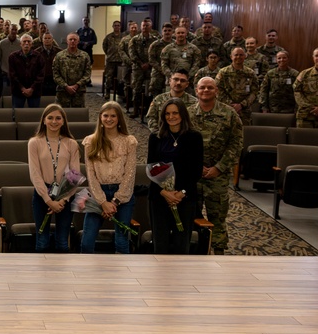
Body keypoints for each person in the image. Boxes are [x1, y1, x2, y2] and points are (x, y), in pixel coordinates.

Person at [190, 77, 243, 255]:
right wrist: (195, 167)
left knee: (218, 217)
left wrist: (219, 168)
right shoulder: (188, 114)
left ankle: (218, 253)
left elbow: (236, 144)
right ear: (196, 90)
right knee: (191, 216)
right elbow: (181, 144)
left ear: (217, 90)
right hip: (192, 175)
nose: (206, 90)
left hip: (218, 176)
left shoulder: (229, 114)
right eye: (202, 88)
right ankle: (193, 250)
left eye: (210, 88)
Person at [147, 99, 204, 254]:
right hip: (159, 196)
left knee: (182, 242)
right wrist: (165, 192)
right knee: (160, 242)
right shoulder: (155, 137)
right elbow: (151, 168)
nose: (171, 116)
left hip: (185, 197)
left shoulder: (194, 137)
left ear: (182, 114)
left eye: (175, 113)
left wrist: (181, 193)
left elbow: (196, 171)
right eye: (167, 113)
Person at [80, 101, 138, 254]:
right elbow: (90, 174)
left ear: (119, 119)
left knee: (121, 241)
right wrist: (102, 202)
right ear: (100, 117)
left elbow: (130, 173)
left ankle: (122, 275)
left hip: (123, 195)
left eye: (113, 116)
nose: (109, 119)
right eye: (106, 115)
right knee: (87, 240)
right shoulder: (91, 141)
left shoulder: (129, 141)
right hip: (98, 192)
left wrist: (116, 201)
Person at [27, 104, 82, 253]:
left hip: (65, 195)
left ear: (63, 121)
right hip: (42, 195)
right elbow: (34, 173)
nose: (54, 121)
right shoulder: (34, 142)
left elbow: (75, 174)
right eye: (50, 118)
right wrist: (48, 200)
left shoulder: (71, 143)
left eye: (58, 118)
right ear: (44, 120)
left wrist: (62, 200)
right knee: (42, 241)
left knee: (62, 242)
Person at [216, 46, 260, 125]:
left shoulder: (250, 73)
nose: (238, 57)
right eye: (236, 55)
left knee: (245, 134)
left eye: (241, 55)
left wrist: (241, 105)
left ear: (245, 56)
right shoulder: (223, 72)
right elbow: (218, 90)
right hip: (226, 109)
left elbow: (255, 91)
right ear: (231, 57)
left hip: (245, 111)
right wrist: (231, 105)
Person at [51, 32, 91, 108]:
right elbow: (56, 74)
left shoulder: (84, 56)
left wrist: (76, 85)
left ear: (78, 41)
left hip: (78, 91)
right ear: (67, 41)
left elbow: (87, 74)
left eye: (75, 39)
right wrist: (66, 86)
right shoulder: (59, 56)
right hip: (62, 91)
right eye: (70, 39)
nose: (72, 41)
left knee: (78, 115)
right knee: (62, 115)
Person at [8, 34, 45, 108]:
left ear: (32, 44)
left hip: (34, 91)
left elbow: (41, 75)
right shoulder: (13, 57)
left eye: (29, 41)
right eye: (24, 41)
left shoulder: (39, 56)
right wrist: (22, 88)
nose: (26, 43)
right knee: (17, 115)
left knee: (34, 114)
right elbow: (12, 75)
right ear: (20, 44)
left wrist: (31, 88)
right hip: (18, 91)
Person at [147, 24, 173, 97]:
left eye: (169, 31)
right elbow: (151, 60)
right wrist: (162, 70)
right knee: (155, 92)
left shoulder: (175, 44)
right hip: (158, 72)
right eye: (165, 31)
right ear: (162, 32)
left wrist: (168, 71)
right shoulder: (155, 44)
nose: (167, 32)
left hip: (171, 72)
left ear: (172, 32)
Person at [101, 21, 126, 97]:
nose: (116, 27)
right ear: (113, 26)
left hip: (121, 61)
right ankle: (107, 92)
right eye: (115, 25)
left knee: (122, 78)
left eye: (118, 25)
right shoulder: (108, 37)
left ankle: (121, 93)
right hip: (111, 60)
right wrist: (109, 53)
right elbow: (104, 46)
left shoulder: (124, 37)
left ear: (120, 26)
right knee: (109, 77)